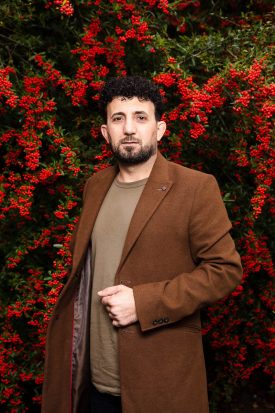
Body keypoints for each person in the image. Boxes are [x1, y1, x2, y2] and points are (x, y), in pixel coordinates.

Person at [42, 76, 242, 413]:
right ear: (106, 132)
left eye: (140, 117)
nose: (129, 128)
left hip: (160, 385)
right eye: (118, 119)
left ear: (160, 129)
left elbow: (225, 271)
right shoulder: (95, 186)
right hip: (93, 385)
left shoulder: (195, 188)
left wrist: (144, 302)